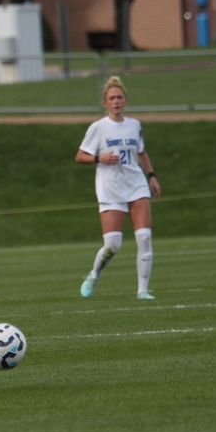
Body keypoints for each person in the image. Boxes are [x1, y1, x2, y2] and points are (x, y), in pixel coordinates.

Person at [75, 76, 161, 300]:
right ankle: (94, 274)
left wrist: (151, 176)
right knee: (112, 246)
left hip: (136, 186)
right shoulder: (98, 128)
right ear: (105, 103)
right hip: (111, 190)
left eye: (120, 97)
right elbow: (80, 156)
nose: (116, 101)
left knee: (144, 238)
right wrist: (99, 158)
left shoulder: (134, 125)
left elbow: (141, 152)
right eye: (112, 98)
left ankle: (143, 291)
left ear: (126, 100)